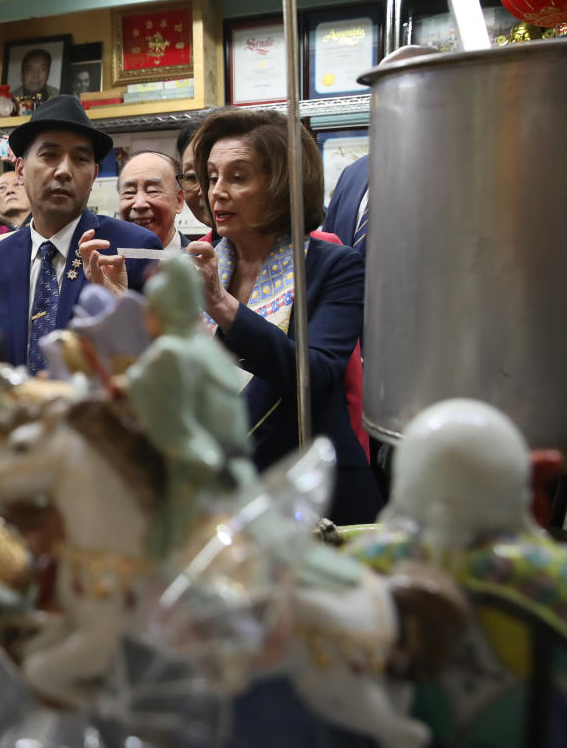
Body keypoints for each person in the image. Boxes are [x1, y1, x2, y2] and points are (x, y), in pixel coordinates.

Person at [185, 107, 380, 524]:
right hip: (224, 498)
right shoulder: (205, 265)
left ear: (281, 185)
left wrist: (220, 303)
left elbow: (314, 372)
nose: (216, 191)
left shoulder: (333, 265)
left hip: (314, 492)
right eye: (213, 176)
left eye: (238, 177)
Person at [0, 94, 161, 369]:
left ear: (94, 175)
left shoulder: (130, 250)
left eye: (80, 159)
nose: (64, 170)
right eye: (49, 155)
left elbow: (161, 365)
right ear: (21, 170)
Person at [321, 46, 436, 257]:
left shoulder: (457, 177)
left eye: (402, 90)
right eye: (379, 92)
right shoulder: (353, 174)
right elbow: (329, 253)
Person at [117, 150, 187, 250]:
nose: (139, 204)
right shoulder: (103, 261)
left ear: (178, 200)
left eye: (152, 191)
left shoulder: (205, 263)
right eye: (130, 192)